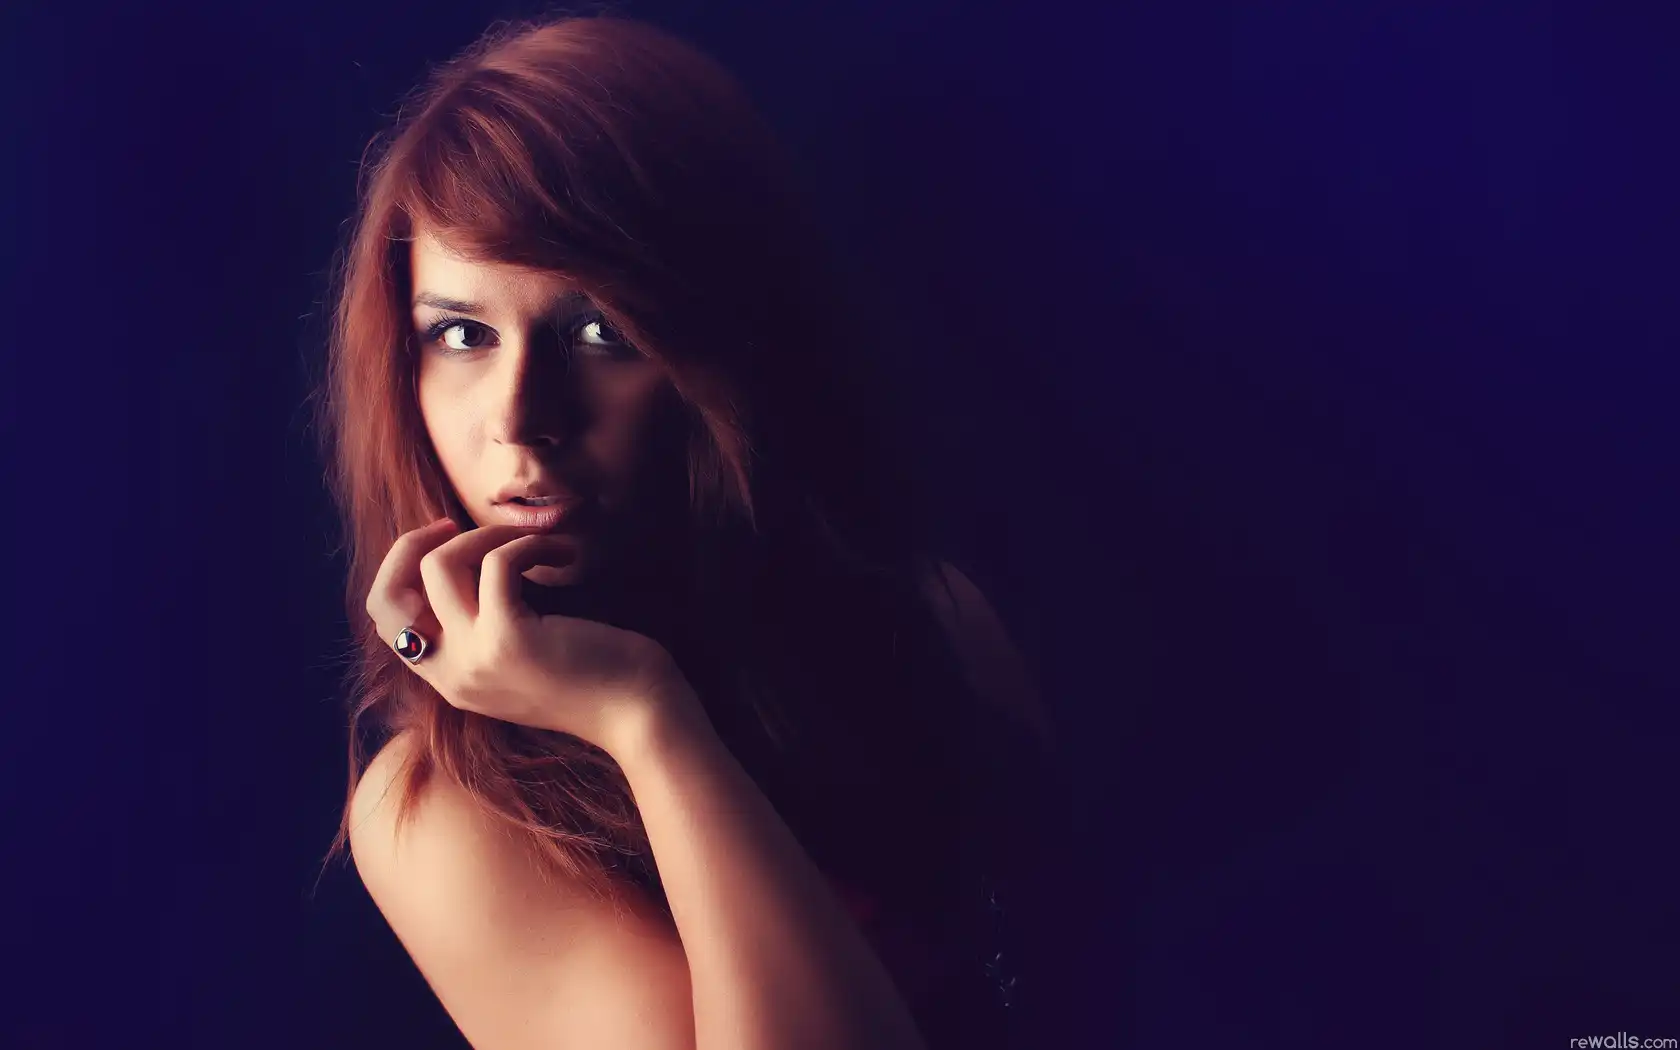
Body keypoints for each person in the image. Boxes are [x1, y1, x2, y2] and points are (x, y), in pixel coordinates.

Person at [312, 13, 1080, 1050]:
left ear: (727, 337)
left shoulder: (933, 617)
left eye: (599, 330)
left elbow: (1092, 980)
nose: (519, 417)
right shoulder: (441, 812)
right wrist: (645, 721)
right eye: (462, 333)